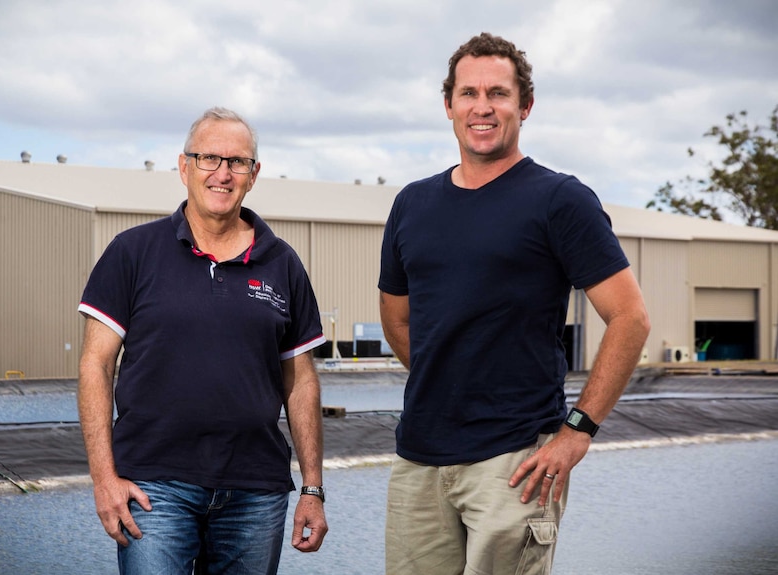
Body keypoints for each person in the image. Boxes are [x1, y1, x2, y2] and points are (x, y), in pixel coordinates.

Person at [378, 33, 650, 575]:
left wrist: (577, 433)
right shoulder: (412, 203)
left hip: (517, 460)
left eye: (499, 94)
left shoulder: (560, 200)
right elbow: (399, 319)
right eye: (469, 93)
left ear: (524, 106)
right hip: (419, 459)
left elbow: (630, 319)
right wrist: (456, 377)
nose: (483, 107)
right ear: (449, 105)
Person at [77, 107, 328, 575]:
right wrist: (103, 479)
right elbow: (96, 365)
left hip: (256, 490)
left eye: (237, 162)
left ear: (254, 175)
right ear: (183, 166)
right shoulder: (133, 252)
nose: (223, 173)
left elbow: (301, 382)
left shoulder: (282, 263)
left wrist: (312, 487)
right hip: (154, 489)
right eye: (209, 158)